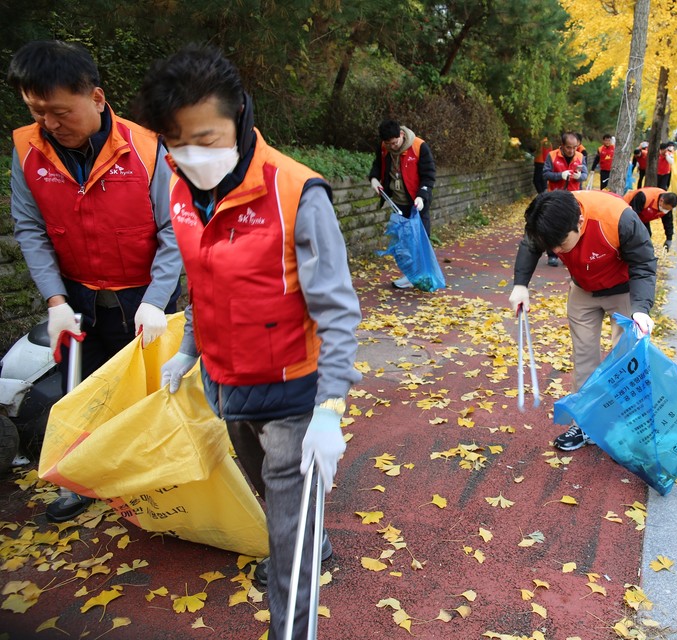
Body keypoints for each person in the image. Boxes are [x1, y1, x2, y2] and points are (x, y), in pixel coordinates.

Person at [135, 45, 361, 640]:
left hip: (293, 396)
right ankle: (316, 535)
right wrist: (187, 354)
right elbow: (203, 282)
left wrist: (331, 409)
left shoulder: (297, 194)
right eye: (176, 144)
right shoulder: (181, 187)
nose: (191, 156)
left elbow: (338, 311)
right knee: (274, 502)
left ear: (240, 114)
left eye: (206, 138)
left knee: (285, 547)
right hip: (228, 388)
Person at [7, 40, 182, 523]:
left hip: (143, 296)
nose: (50, 123)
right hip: (78, 296)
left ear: (97, 99)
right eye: (38, 112)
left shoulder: (148, 149)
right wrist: (55, 300)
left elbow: (174, 230)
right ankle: (84, 480)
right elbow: (30, 228)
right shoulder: (27, 150)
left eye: (61, 111)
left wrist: (156, 300)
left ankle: (162, 480)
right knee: (81, 392)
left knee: (156, 392)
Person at [509, 190, 658, 451]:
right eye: (550, 246)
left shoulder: (618, 218)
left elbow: (644, 264)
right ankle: (586, 423)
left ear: (579, 222)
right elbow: (530, 245)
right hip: (583, 290)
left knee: (626, 360)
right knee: (584, 357)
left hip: (623, 291)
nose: (555, 251)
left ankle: (625, 426)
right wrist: (521, 285)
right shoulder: (548, 218)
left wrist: (641, 309)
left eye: (560, 244)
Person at [368, 119, 437, 289]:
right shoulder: (384, 148)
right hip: (397, 203)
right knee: (404, 242)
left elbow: (429, 175)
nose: (392, 147)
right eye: (388, 144)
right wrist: (374, 179)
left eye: (394, 142)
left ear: (400, 134)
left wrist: (422, 196)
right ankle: (410, 275)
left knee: (420, 240)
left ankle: (423, 275)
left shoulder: (419, 147)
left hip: (417, 203)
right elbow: (377, 165)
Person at [542, 132, 584, 267]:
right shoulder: (552, 156)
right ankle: (552, 255)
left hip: (574, 197)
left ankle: (570, 255)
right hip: (555, 197)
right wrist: (560, 175)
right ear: (562, 146)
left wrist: (580, 176)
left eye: (575, 147)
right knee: (553, 226)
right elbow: (545, 174)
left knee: (573, 226)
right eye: (568, 147)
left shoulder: (581, 156)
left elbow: (585, 173)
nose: (572, 150)